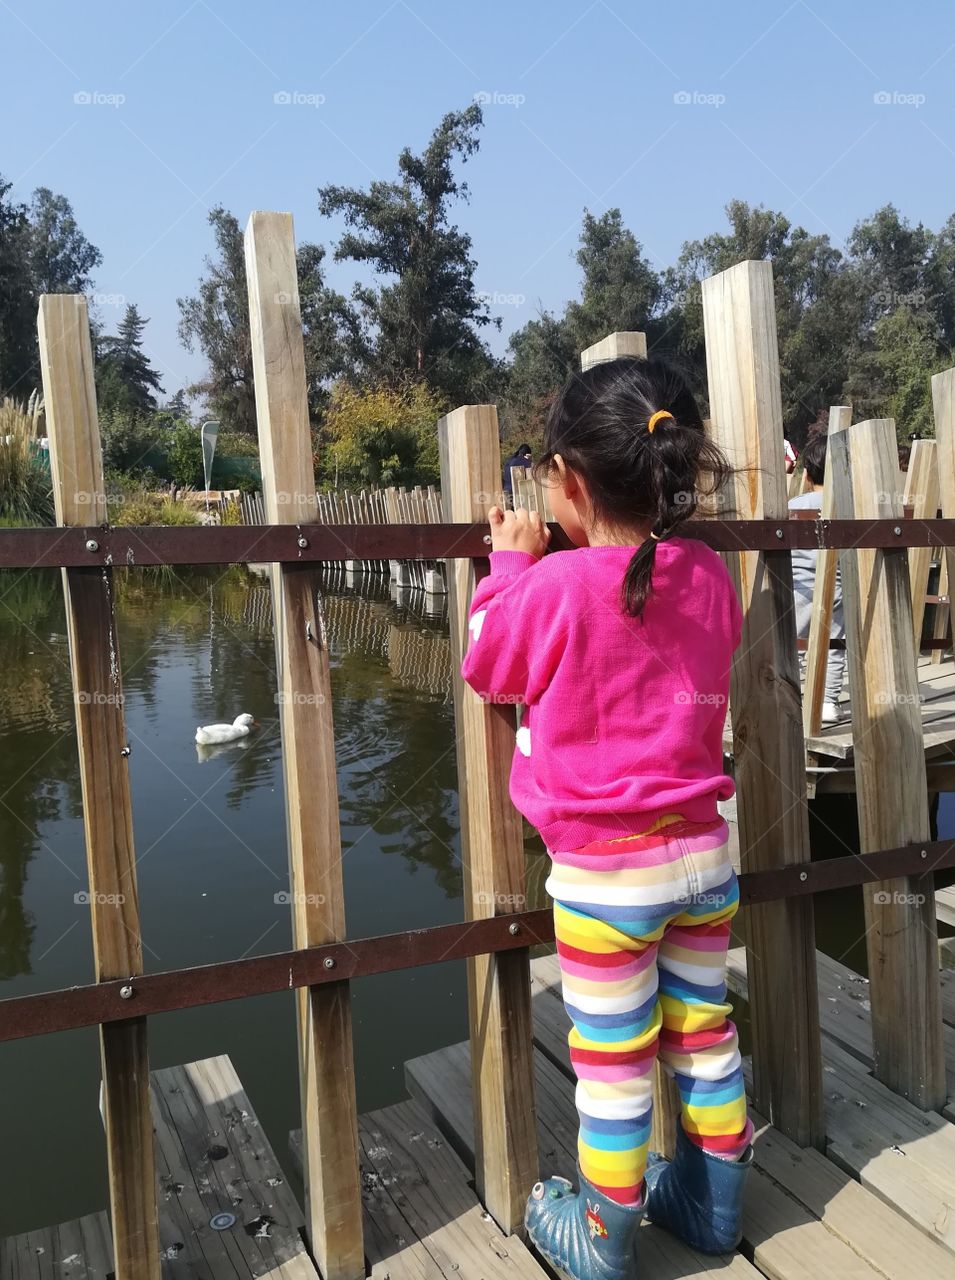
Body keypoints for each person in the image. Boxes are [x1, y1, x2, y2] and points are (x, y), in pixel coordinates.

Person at [461, 357, 753, 1280]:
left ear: (572, 484)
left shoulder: (553, 586)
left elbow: (487, 665)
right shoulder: (708, 573)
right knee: (702, 1028)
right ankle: (714, 1207)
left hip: (604, 878)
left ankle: (604, 1238)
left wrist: (511, 559)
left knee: (614, 1061)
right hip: (703, 860)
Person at [789, 430, 846, 724]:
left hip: (798, 587)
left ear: (808, 473)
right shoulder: (846, 506)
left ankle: (797, 695)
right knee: (835, 644)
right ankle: (828, 702)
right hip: (836, 587)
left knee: (795, 644)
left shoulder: (794, 506)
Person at [502, 442, 533, 508]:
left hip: (506, 492)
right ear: (527, 454)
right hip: (518, 494)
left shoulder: (509, 460)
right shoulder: (526, 462)